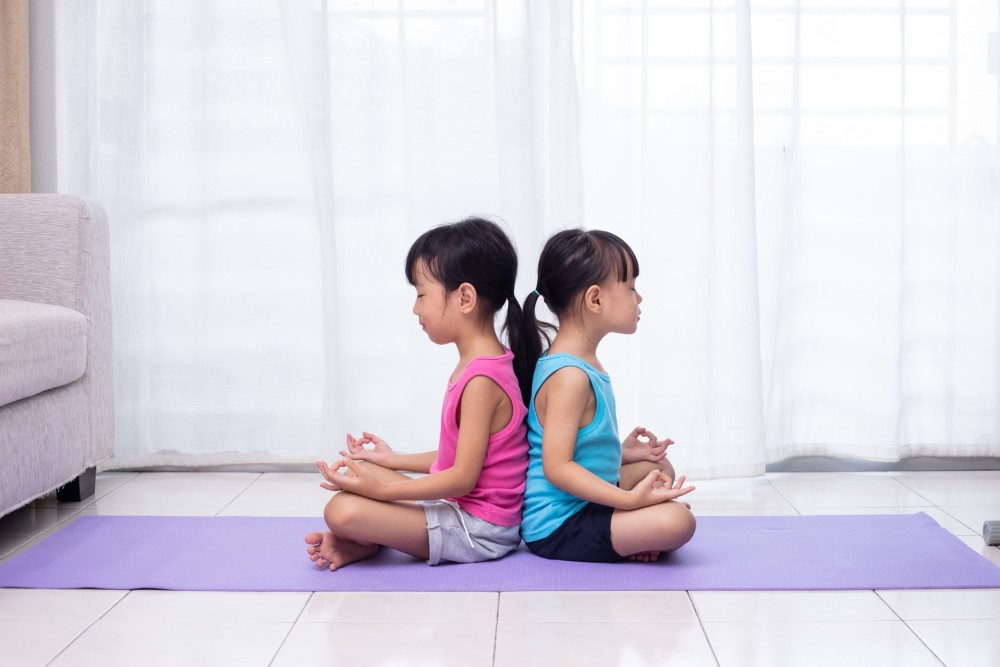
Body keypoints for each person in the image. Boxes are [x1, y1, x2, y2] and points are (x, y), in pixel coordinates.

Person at [305, 217, 531, 570]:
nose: (415, 308)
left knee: (342, 509)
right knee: (361, 472)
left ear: (465, 298)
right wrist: (393, 461)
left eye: (421, 294)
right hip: (462, 509)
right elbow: (462, 457)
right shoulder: (482, 363)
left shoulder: (482, 379)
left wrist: (381, 493)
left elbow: (462, 477)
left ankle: (369, 537)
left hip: (481, 529)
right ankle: (368, 540)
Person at [518, 228, 696, 563]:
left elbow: (577, 444)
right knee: (679, 521)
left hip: (590, 501)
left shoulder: (584, 362)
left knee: (657, 467)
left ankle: (637, 530)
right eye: (631, 288)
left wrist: (619, 451)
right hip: (559, 525)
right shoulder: (569, 376)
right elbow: (557, 468)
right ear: (596, 299)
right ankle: (639, 529)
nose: (638, 299)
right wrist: (629, 502)